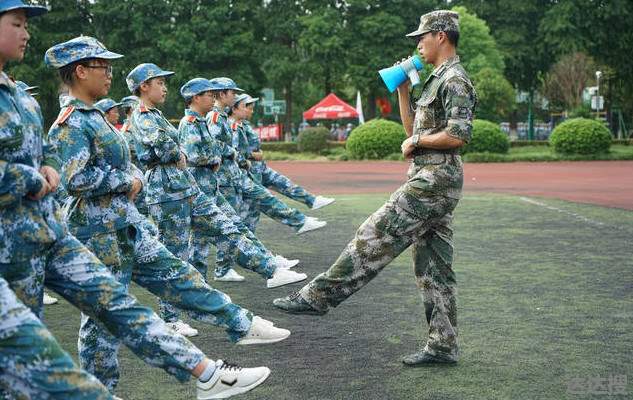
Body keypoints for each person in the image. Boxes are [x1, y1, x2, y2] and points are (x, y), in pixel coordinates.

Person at [44, 36, 287, 395]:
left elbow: (132, 163)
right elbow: (76, 179)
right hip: (97, 231)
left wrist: (135, 176)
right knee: (102, 322)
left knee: (177, 272)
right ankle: (101, 391)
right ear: (80, 71)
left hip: (125, 223)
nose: (110, 74)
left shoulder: (95, 118)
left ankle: (241, 324)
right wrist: (128, 179)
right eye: (103, 67)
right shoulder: (70, 124)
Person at [273, 10, 477, 366]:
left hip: (435, 181)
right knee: (434, 268)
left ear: (441, 36)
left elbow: (459, 135)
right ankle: (443, 346)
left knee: (375, 232)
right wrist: (403, 92)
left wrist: (418, 140)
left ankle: (318, 297)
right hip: (427, 176)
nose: (418, 44)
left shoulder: (455, 79)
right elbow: (410, 130)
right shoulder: (435, 79)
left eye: (422, 37)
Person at [126, 69, 307, 329]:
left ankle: (271, 270)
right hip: (166, 191)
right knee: (177, 256)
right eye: (160, 83)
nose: (165, 88)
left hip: (184, 185)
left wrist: (179, 152)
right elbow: (166, 146)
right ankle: (171, 319)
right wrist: (179, 152)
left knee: (225, 226)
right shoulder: (142, 116)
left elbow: (174, 147)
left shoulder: (156, 115)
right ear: (144, 86)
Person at [206, 77, 326, 281]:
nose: (234, 95)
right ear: (222, 93)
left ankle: (266, 260)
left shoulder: (221, 117)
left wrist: (240, 160)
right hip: (226, 181)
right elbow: (215, 147)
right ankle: (238, 266)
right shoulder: (216, 118)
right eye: (232, 92)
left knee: (241, 225)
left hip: (234, 177)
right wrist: (241, 157)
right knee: (231, 227)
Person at [230, 94, 334, 233]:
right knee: (255, 211)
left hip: (259, 169)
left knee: (282, 184)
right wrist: (253, 155)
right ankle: (299, 221)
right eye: (247, 107)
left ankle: (310, 203)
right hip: (247, 173)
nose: (251, 110)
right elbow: (233, 152)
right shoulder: (232, 127)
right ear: (234, 109)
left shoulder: (244, 125)